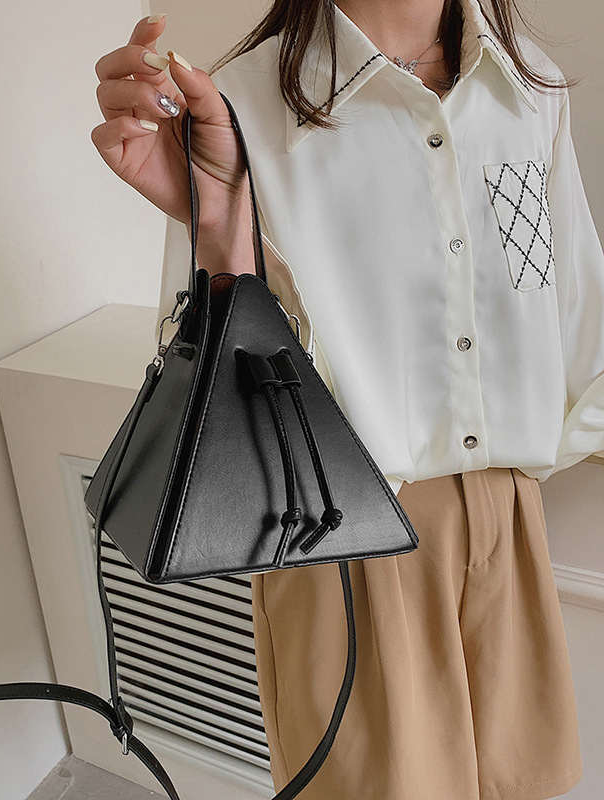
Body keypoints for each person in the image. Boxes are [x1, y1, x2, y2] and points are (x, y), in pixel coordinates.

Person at [92, 1, 603, 797]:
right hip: (340, 538)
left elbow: (577, 307)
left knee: (522, 783)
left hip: (510, 519)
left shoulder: (528, 85)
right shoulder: (244, 102)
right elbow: (221, 391)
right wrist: (219, 225)